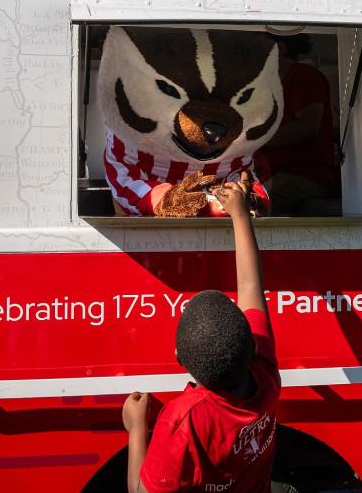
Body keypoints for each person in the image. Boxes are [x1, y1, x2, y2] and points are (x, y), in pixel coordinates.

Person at [123, 173, 281, 492]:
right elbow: (250, 286)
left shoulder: (182, 420)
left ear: (179, 358)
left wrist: (137, 427)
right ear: (251, 346)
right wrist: (239, 216)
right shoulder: (266, 376)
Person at [257, 34, 340, 216]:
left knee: (255, 203)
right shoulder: (268, 86)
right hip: (272, 174)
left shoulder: (303, 75)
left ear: (279, 48)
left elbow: (307, 126)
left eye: (257, 44)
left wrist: (257, 140)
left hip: (306, 175)